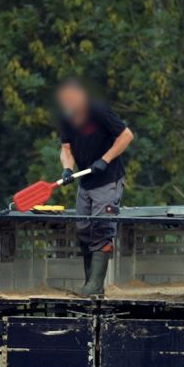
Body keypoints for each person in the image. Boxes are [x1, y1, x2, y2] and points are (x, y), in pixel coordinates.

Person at [56, 77, 134, 293]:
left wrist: (105, 160)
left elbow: (127, 136)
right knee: (83, 229)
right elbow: (66, 149)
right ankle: (90, 284)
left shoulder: (99, 112)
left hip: (108, 179)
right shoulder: (66, 118)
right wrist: (67, 169)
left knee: (101, 228)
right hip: (86, 182)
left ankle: (94, 285)